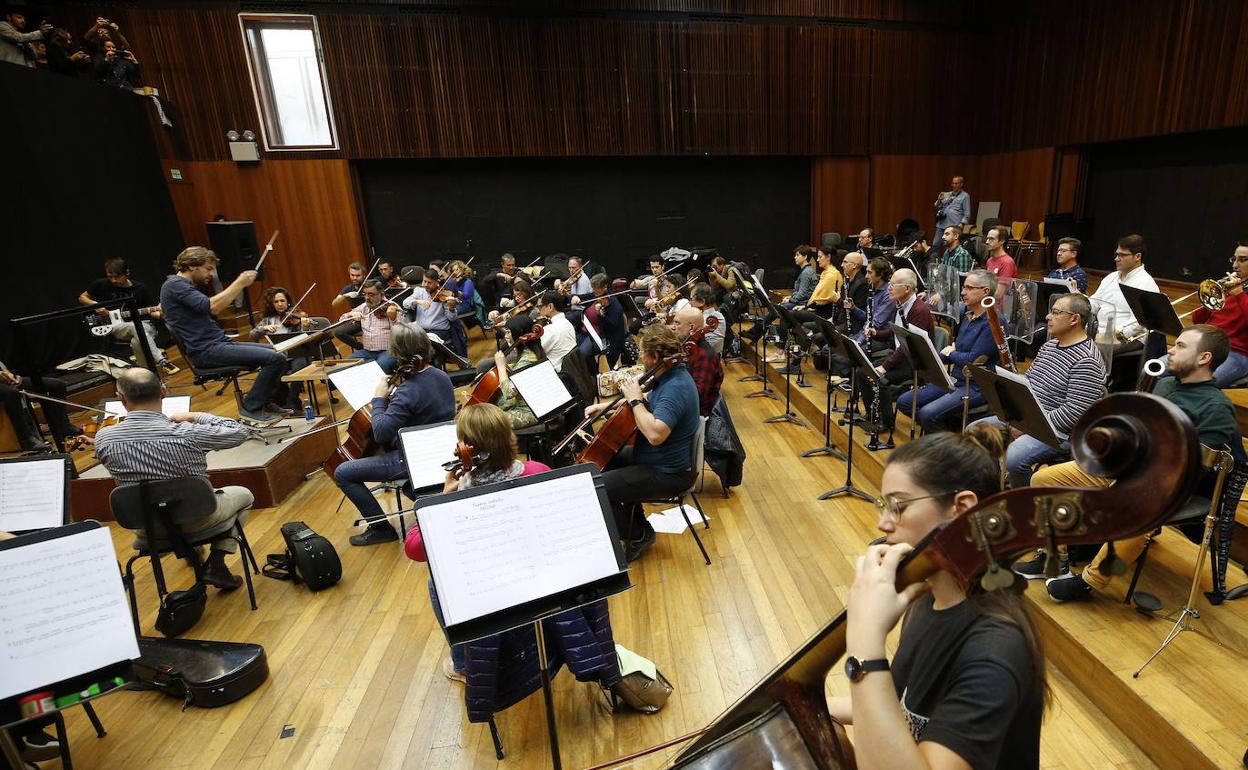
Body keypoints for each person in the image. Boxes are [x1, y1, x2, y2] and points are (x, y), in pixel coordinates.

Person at [829, 426, 1044, 770]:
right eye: (884, 505)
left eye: (899, 506)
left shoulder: (995, 651)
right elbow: (893, 705)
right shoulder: (928, 597)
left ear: (961, 508)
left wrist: (864, 643)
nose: (884, 523)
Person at [1037, 325, 1239, 600]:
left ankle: (1089, 582)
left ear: (1204, 358)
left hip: (1165, 483)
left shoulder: (1217, 407)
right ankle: (1055, 558)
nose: (1171, 350)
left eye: (1180, 346)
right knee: (1044, 480)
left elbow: (1198, 467)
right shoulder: (1165, 383)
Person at [403, 401, 554, 681]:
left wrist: (444, 496)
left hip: (488, 585)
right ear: (511, 438)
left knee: (436, 583)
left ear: (465, 448)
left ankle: (463, 663)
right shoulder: (538, 471)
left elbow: (413, 548)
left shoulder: (459, 498)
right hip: (535, 572)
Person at [93, 368, 253, 590]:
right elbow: (239, 431)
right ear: (164, 392)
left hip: (146, 526)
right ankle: (216, 564)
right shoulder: (187, 432)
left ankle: (190, 551)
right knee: (244, 495)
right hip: (199, 516)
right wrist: (196, 416)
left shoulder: (103, 438)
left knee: (166, 496)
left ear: (121, 399)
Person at [587, 324, 701, 561]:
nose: (640, 358)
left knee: (596, 489)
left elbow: (655, 435)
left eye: (642, 353)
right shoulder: (669, 375)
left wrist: (635, 402)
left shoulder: (675, 387)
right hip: (653, 458)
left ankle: (637, 533)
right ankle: (635, 520)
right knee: (599, 464)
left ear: (655, 356)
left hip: (668, 472)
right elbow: (649, 399)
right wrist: (604, 406)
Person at [335, 324, 455, 546]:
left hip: (412, 457)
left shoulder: (407, 391)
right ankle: (421, 495)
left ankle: (380, 528)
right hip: (441, 449)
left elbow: (380, 433)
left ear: (398, 354)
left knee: (343, 472)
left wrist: (379, 398)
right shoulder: (440, 375)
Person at [969, 293, 1106, 488]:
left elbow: (1075, 412)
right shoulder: (1050, 345)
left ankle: (1023, 499)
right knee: (974, 430)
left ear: (1075, 319)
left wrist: (1028, 427)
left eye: (1056, 312)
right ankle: (992, 486)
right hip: (1029, 419)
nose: (1048, 317)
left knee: (1014, 458)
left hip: (1058, 432)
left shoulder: (1086, 361)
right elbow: (1029, 382)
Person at [160, 246, 288, 423]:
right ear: (192, 266)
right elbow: (214, 307)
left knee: (281, 350)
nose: (211, 274)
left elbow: (212, 307)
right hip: (206, 351)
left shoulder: (182, 286)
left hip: (218, 344)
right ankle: (251, 406)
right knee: (276, 358)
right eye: (208, 268)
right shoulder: (175, 285)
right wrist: (240, 283)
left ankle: (263, 400)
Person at [897, 269, 998, 432]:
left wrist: (951, 352)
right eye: (964, 287)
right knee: (905, 402)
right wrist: (932, 359)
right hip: (955, 379)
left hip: (976, 386)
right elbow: (956, 351)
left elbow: (972, 361)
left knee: (927, 413)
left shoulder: (992, 322)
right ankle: (947, 432)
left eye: (969, 288)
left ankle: (944, 444)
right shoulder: (967, 316)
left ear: (985, 292)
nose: (963, 293)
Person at [78, 257, 177, 374]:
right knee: (134, 326)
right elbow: (82, 297)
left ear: (127, 273)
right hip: (118, 326)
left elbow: (152, 312)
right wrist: (96, 305)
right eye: (110, 277)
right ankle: (161, 360)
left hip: (145, 325)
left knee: (137, 341)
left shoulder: (140, 288)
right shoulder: (101, 284)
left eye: (117, 276)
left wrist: (160, 313)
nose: (113, 280)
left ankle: (147, 373)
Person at [863, 268, 933, 431]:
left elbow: (907, 344)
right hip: (900, 356)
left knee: (880, 378)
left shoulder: (919, 310)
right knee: (863, 371)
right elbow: (896, 330)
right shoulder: (901, 303)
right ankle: (872, 414)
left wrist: (885, 366)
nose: (889, 287)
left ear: (907, 288)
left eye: (893, 285)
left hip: (914, 363)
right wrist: (877, 334)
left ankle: (886, 423)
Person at [1187, 241, 1248, 386]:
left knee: (1198, 385)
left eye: (1242, 260)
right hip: (1207, 345)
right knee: (1158, 370)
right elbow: (1198, 320)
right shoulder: (1229, 286)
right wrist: (1209, 299)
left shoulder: (1238, 292)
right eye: (1234, 259)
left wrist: (1239, 295)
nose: (1234, 265)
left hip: (1236, 353)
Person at [1088, 233, 1159, 342]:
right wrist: (1078, 301)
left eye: (1122, 255)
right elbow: (1094, 303)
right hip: (1099, 331)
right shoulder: (1111, 277)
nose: (1117, 259)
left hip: (1126, 338)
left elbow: (1138, 323)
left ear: (1137, 257)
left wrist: (1109, 335)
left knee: (1085, 347)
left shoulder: (1146, 283)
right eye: (1116, 255)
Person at [0, 359, 81, 452]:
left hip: (5, 381)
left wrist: (10, 374)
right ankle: (26, 440)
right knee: (12, 393)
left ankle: (63, 426)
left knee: (58, 385)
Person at [487, 314, 548, 429]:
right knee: (493, 407)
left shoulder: (527, 359)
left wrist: (500, 366)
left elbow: (509, 393)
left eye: (509, 332)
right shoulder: (532, 351)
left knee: (488, 421)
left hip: (530, 411)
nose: (506, 336)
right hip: (530, 403)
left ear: (519, 334)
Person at [748, 246, 817, 341]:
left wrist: (790, 299)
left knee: (776, 309)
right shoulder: (805, 271)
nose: (795, 257)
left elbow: (802, 294)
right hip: (799, 301)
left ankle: (756, 333)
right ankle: (756, 332)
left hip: (802, 304)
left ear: (805, 257)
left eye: (797, 255)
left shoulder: (806, 273)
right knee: (775, 309)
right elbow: (800, 292)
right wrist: (791, 296)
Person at [671, 305, 723, 417]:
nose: (673, 327)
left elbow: (696, 396)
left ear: (692, 328)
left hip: (694, 417)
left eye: (677, 323)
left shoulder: (704, 356)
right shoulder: (687, 347)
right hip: (681, 408)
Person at [341, 279, 399, 373]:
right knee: (347, 364)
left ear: (381, 294)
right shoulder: (364, 307)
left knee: (381, 365)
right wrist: (351, 315)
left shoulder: (392, 307)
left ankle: (380, 387)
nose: (367, 297)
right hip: (367, 351)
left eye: (371, 294)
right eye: (365, 294)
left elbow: (401, 332)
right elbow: (342, 319)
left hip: (388, 351)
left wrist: (393, 318)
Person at [580, 273, 627, 367]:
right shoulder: (599, 295)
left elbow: (612, 327)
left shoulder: (615, 305)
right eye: (593, 288)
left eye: (596, 288)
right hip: (599, 333)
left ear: (605, 287)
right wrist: (574, 297)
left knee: (583, 354)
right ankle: (593, 371)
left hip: (612, 341)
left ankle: (594, 371)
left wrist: (600, 315)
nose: (594, 291)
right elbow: (586, 297)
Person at [536, 290, 577, 372]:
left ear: (550, 306)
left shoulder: (550, 330)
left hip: (557, 373)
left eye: (540, 306)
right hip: (572, 370)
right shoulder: (568, 323)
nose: (538, 310)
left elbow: (538, 353)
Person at [330, 261, 368, 351]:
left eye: (358, 275)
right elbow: (334, 304)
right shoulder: (348, 288)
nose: (354, 278)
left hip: (372, 317)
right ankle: (361, 348)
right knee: (339, 332)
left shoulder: (370, 286)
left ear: (364, 275)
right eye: (352, 275)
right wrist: (345, 295)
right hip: (357, 319)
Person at [689, 282, 726, 354]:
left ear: (702, 302)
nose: (690, 303)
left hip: (705, 358)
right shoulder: (717, 315)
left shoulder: (709, 319)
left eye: (691, 299)